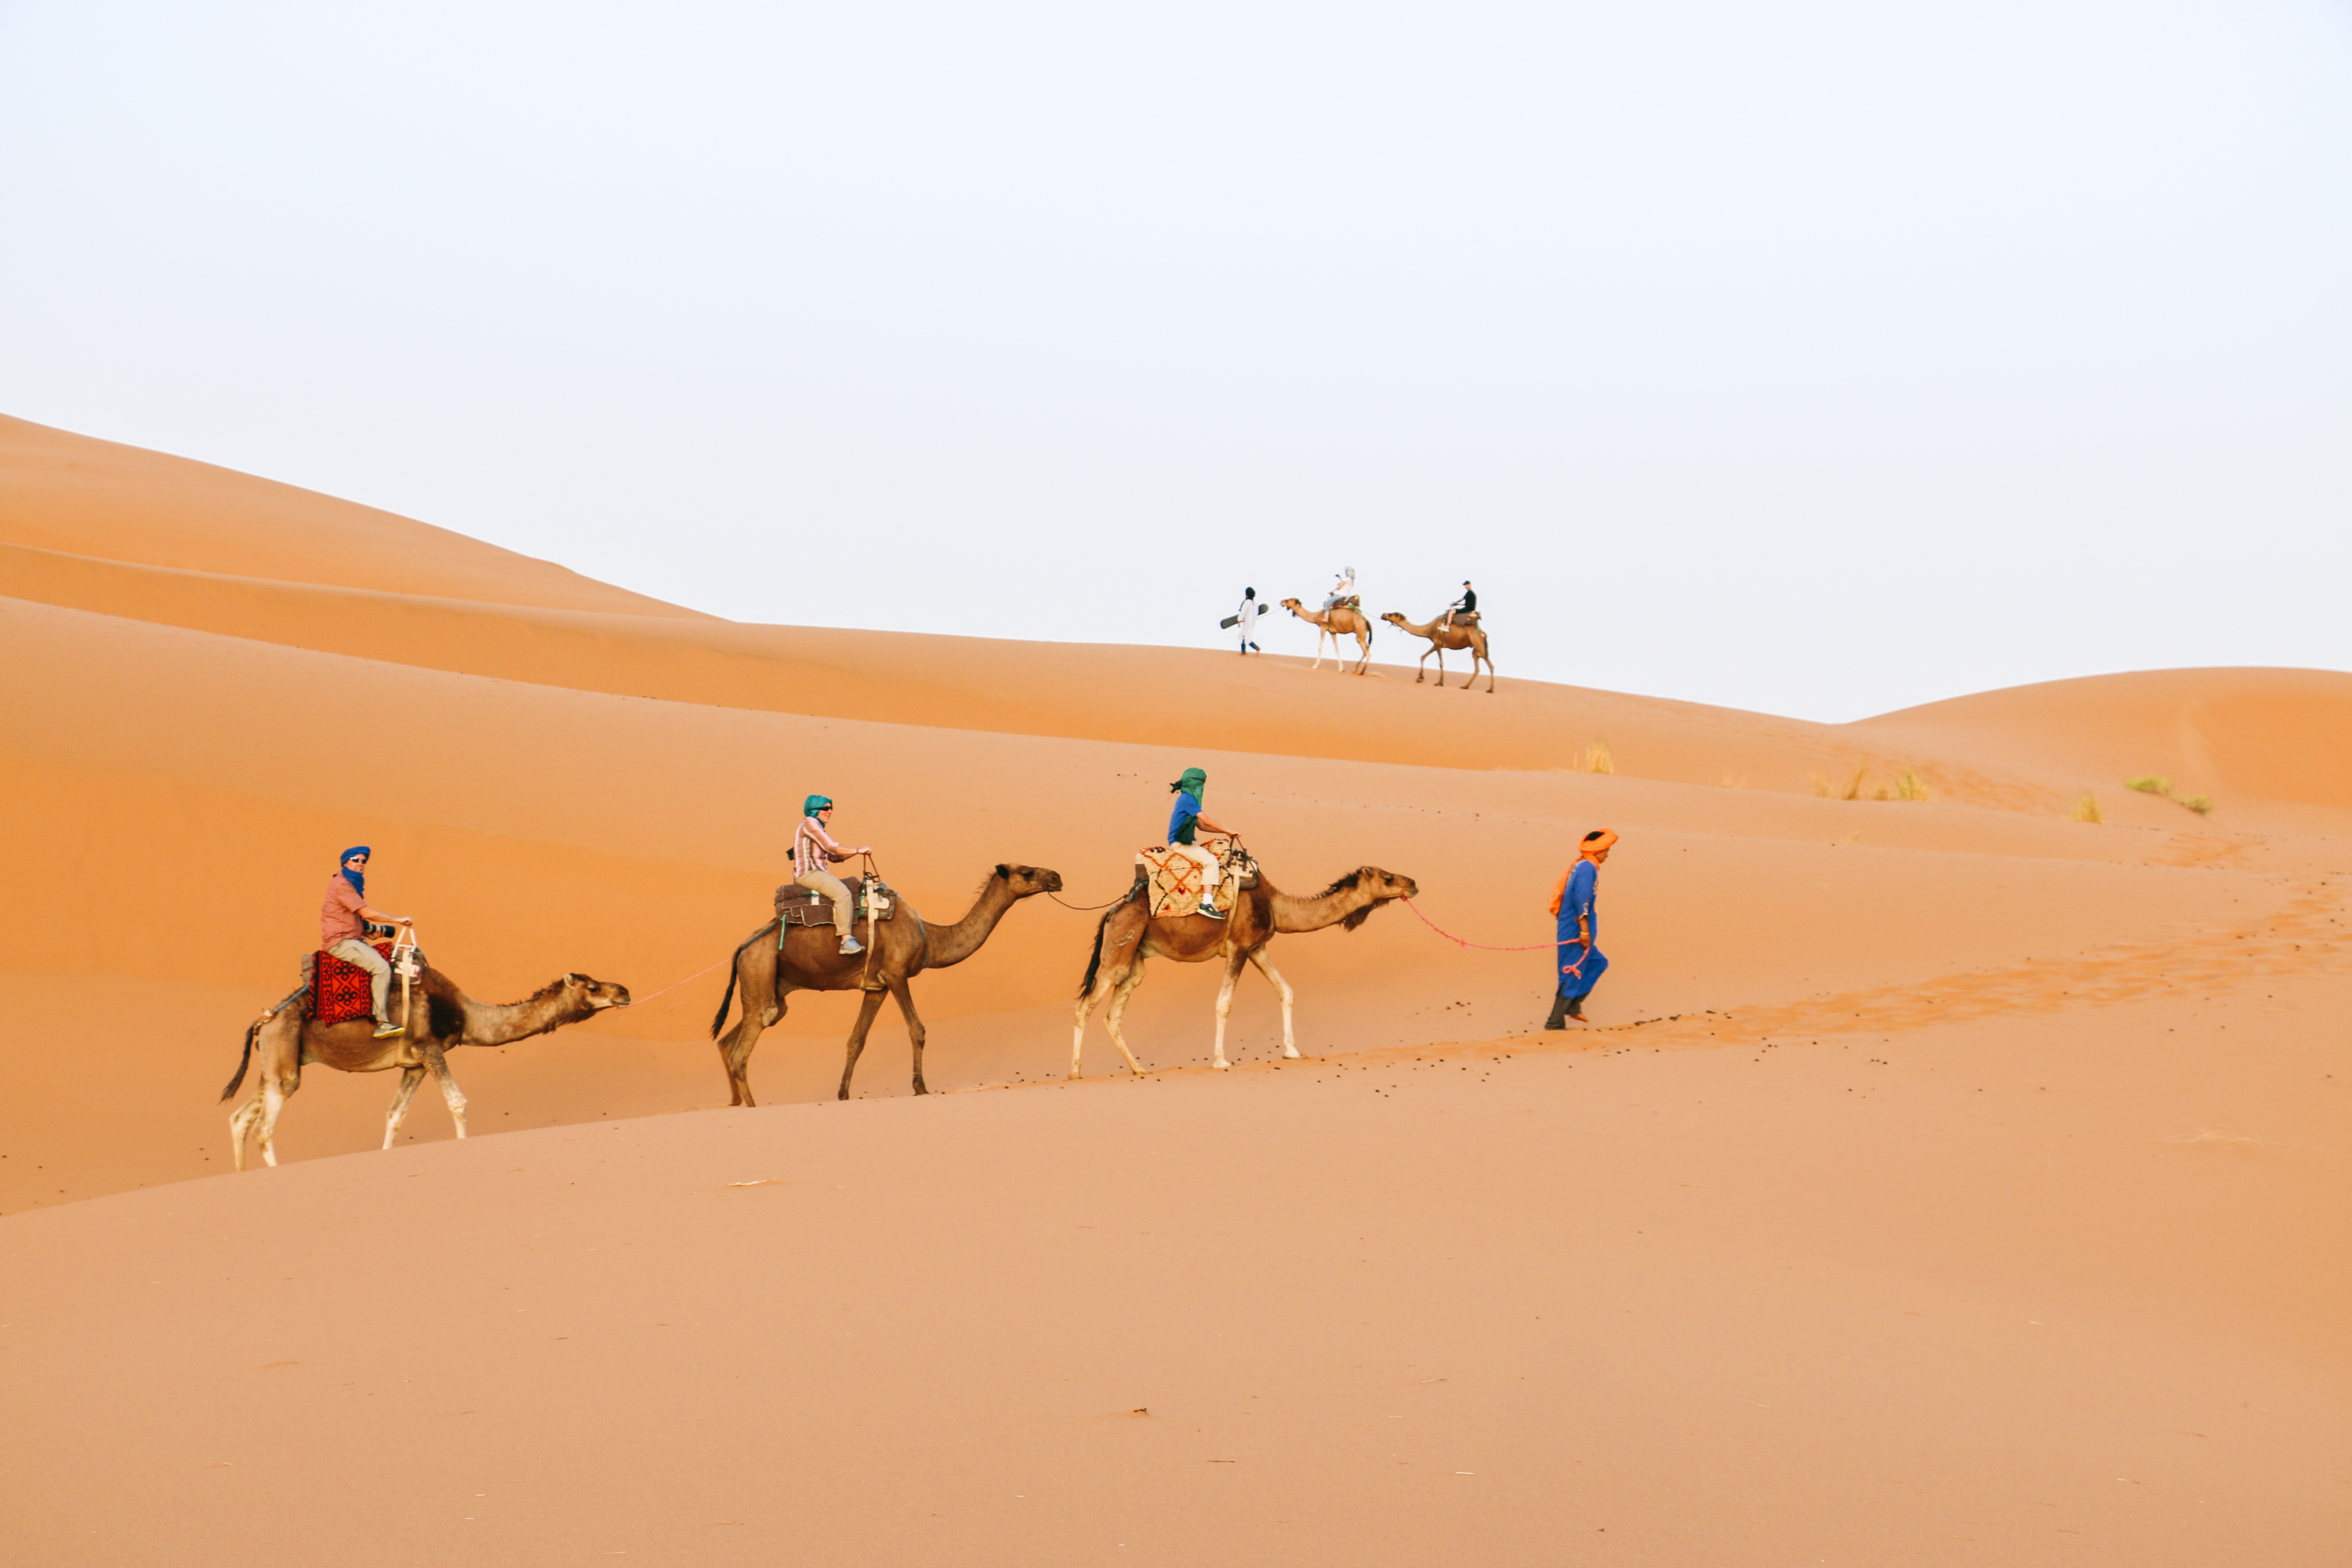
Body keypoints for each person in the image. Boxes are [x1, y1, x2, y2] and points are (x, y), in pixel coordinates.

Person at [320, 846, 413, 1039]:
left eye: (363, 861)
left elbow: (352, 918)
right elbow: (366, 913)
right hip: (341, 942)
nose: (360, 864)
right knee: (381, 968)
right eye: (356, 860)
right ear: (345, 862)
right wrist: (397, 919)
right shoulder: (342, 885)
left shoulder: (351, 885)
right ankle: (382, 1022)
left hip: (353, 938)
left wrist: (372, 931)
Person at [1544, 829, 1615, 1027]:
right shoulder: (1586, 868)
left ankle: (1573, 1006)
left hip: (1578, 927)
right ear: (1598, 850)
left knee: (1598, 963)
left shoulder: (1583, 865)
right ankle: (1554, 1022)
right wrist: (1584, 930)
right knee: (1571, 971)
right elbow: (1581, 898)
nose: (1607, 855)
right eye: (1606, 851)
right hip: (1575, 929)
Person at [793, 795, 873, 954]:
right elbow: (831, 847)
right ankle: (846, 940)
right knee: (843, 894)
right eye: (825, 808)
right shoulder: (810, 823)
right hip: (809, 873)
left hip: (817, 872)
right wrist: (858, 850)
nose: (829, 811)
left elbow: (835, 857)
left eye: (831, 808)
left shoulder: (817, 827)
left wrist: (856, 853)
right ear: (814, 810)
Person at [1167, 766, 1235, 919]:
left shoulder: (1187, 799)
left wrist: (1225, 832)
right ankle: (1207, 903)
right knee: (1210, 861)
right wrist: (1227, 830)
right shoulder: (1187, 799)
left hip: (1187, 842)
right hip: (1180, 843)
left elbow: (1201, 826)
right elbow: (1207, 820)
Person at [1235, 588, 1261, 655]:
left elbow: (1243, 611)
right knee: (1246, 636)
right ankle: (1244, 651)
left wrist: (1239, 619)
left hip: (1247, 622)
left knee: (1245, 636)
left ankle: (1255, 649)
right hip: (1252, 622)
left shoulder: (1247, 602)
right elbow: (1256, 613)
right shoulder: (1255, 604)